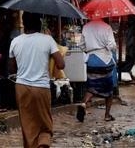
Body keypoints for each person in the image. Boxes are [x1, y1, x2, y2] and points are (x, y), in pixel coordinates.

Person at [9, 12, 65, 148]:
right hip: (41, 87)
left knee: (27, 123)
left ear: (24, 24)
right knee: (45, 123)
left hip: (21, 87)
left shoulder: (15, 41)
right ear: (39, 24)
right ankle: (43, 143)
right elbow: (61, 64)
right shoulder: (47, 40)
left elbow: (11, 68)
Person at [76, 14, 118, 123]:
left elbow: (81, 45)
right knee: (109, 90)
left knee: (91, 87)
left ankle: (83, 103)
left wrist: (90, 49)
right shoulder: (106, 27)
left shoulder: (86, 27)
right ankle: (107, 115)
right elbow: (112, 45)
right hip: (105, 61)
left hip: (91, 60)